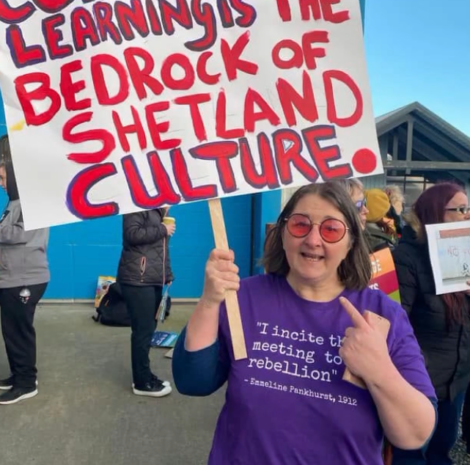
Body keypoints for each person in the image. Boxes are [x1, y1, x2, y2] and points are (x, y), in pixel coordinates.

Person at [172, 182, 437, 464]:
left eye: (331, 229)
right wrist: (210, 301)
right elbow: (193, 381)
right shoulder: (241, 297)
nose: (313, 240)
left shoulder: (382, 314)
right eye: (300, 225)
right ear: (283, 233)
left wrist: (379, 371)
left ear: (350, 242)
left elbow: (415, 436)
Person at [392, 182, 470, 464]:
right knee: (411, 455)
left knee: (441, 451)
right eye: (459, 209)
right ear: (435, 212)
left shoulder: (466, 254)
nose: (467, 216)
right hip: (418, 383)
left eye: (468, 209)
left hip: (456, 379)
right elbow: (396, 321)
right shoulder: (406, 257)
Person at [0, 135, 50, 405]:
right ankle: (20, 373)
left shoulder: (31, 202)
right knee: (12, 329)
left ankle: (26, 383)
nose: (1, 181)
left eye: (3, 175)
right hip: (13, 277)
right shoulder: (17, 203)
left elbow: (18, 234)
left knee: (18, 331)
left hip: (24, 278)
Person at [116, 208, 175, 397]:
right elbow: (132, 234)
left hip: (152, 279)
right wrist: (163, 229)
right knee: (142, 331)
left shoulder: (158, 214)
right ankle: (141, 383)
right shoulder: (136, 206)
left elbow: (161, 250)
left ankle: (145, 375)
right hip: (137, 279)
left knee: (148, 329)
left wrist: (167, 274)